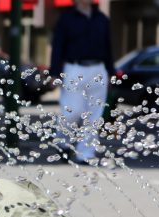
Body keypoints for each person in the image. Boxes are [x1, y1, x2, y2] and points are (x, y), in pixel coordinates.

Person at [49, 0, 115, 164]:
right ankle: (62, 143)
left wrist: (111, 73)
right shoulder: (66, 18)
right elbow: (58, 46)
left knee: (94, 116)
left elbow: (108, 48)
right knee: (72, 112)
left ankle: (85, 154)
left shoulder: (102, 19)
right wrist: (54, 73)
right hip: (73, 68)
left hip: (98, 69)